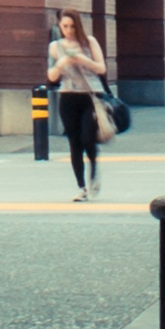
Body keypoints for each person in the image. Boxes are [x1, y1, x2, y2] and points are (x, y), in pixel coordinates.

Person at [48, 11, 113, 199]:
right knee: (74, 142)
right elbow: (51, 76)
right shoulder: (55, 47)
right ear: (60, 26)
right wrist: (62, 62)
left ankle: (93, 172)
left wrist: (82, 59)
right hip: (68, 97)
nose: (69, 30)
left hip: (90, 96)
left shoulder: (89, 42)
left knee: (87, 138)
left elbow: (101, 68)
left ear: (78, 25)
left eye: (72, 26)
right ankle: (81, 188)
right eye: (65, 26)